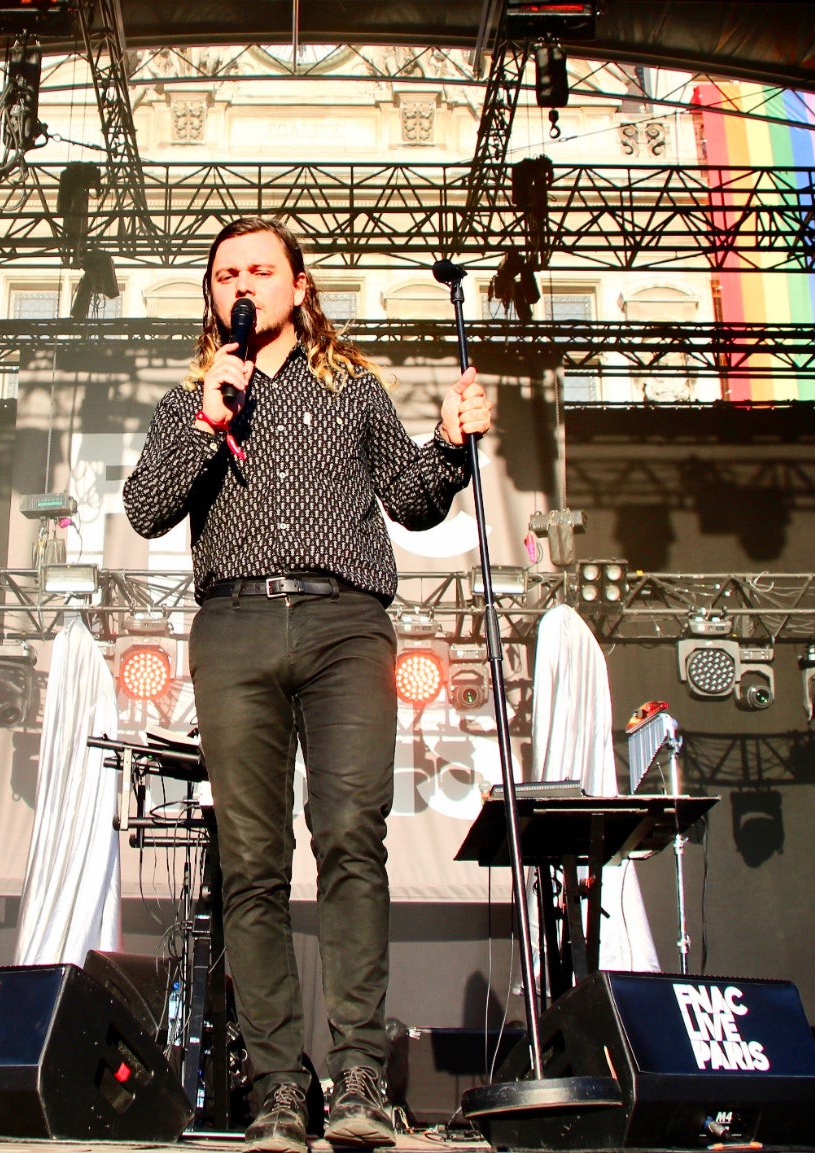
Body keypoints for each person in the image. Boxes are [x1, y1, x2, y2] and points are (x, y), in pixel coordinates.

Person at [123, 217, 491, 1152]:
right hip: (235, 625)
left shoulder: (351, 388)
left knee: (350, 838)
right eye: (224, 273)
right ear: (213, 297)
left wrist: (450, 444)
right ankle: (280, 1085)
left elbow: (410, 498)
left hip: (344, 622)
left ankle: (361, 1069)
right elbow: (145, 508)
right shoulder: (189, 399)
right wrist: (210, 421)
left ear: (297, 287)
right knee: (249, 860)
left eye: (258, 268)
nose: (240, 283)